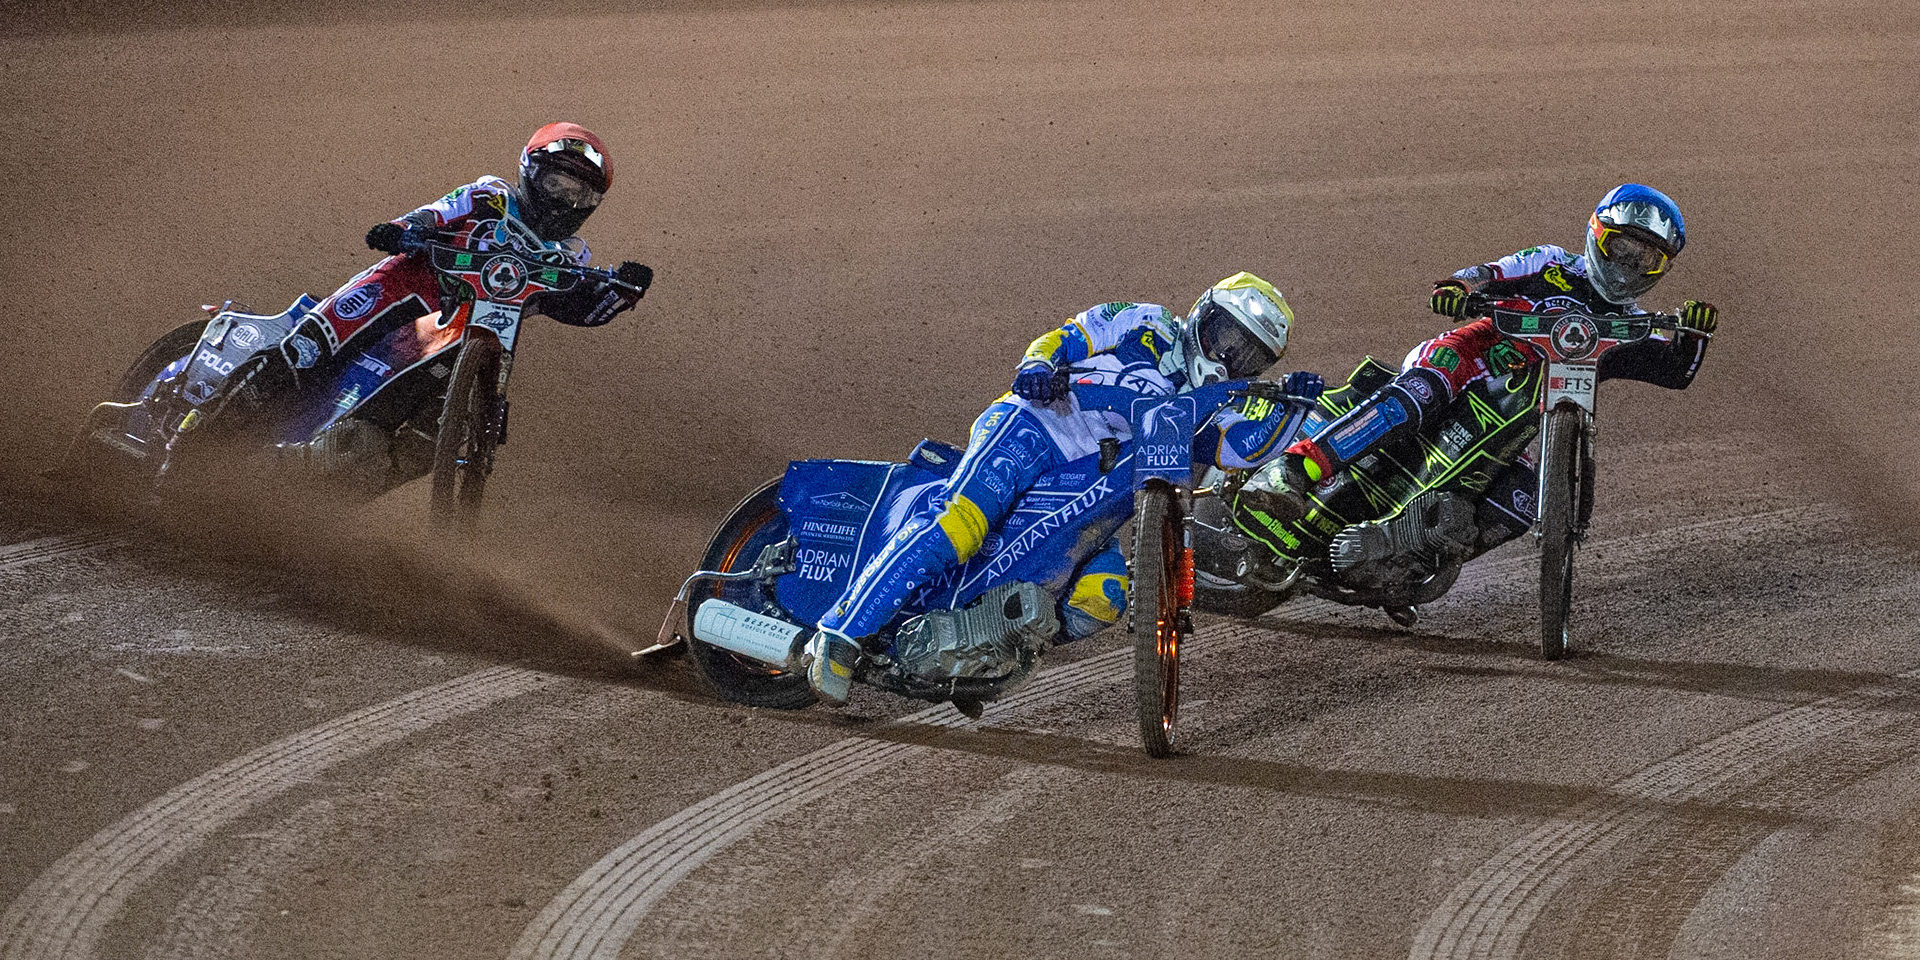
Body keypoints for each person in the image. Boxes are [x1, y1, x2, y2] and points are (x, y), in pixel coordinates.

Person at [803, 272, 1324, 704]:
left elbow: (1238, 448)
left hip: (1096, 491)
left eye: (1247, 356)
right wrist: (1037, 365)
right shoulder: (1147, 320)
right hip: (1038, 425)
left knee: (1104, 598)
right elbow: (1068, 337)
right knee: (959, 523)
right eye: (1224, 335)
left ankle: (987, 648)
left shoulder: (1212, 403)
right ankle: (840, 633)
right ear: (1201, 315)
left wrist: (1294, 406)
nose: (1228, 356)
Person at [1277, 183, 1717, 561]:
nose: (1628, 265)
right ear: (1598, 235)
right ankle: (1296, 470)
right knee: (1420, 394)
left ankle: (1413, 560)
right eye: (1622, 247)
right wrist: (1458, 287)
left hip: (1521, 421)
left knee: (1521, 501)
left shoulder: (1634, 326)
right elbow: (1487, 273)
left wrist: (1694, 333)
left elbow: (1677, 372)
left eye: (1647, 259)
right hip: (1466, 361)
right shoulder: (1550, 262)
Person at [266, 122, 653, 483]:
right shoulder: (489, 197)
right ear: (531, 172)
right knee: (304, 350)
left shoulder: (571, 256)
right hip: (402, 293)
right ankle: (209, 423)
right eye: (555, 183)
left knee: (430, 442)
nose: (562, 201)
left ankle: (336, 480)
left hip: (465, 340)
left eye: (577, 194)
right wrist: (402, 230)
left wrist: (621, 290)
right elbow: (432, 214)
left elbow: (578, 307)